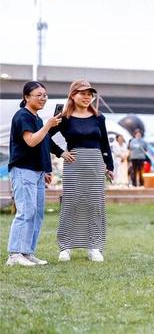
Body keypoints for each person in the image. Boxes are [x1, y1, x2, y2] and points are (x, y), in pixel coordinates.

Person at [49, 80, 114, 262]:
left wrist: (109, 165)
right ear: (72, 95)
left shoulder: (99, 118)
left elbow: (104, 144)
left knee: (95, 205)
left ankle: (95, 246)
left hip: (94, 163)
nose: (87, 97)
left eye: (89, 94)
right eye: (82, 93)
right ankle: (66, 247)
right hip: (74, 164)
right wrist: (61, 152)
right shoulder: (64, 118)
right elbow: (46, 137)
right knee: (72, 204)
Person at [5, 82, 65, 267]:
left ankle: (27, 252)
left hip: (37, 172)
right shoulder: (23, 116)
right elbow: (31, 141)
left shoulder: (36, 118)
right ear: (26, 97)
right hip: (23, 170)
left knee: (37, 213)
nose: (43, 98)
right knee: (26, 212)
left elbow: (43, 144)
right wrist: (48, 125)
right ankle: (14, 254)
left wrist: (46, 169)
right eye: (38, 95)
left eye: (45, 95)